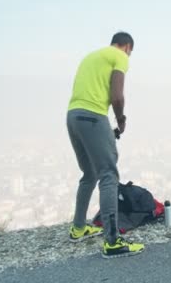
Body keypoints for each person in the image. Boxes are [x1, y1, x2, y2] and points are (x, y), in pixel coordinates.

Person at [66, 32, 144, 258]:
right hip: (93, 116)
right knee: (109, 174)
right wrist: (121, 119)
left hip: (73, 116)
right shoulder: (120, 56)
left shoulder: (91, 56)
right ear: (127, 46)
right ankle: (112, 242)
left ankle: (78, 228)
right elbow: (117, 96)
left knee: (89, 173)